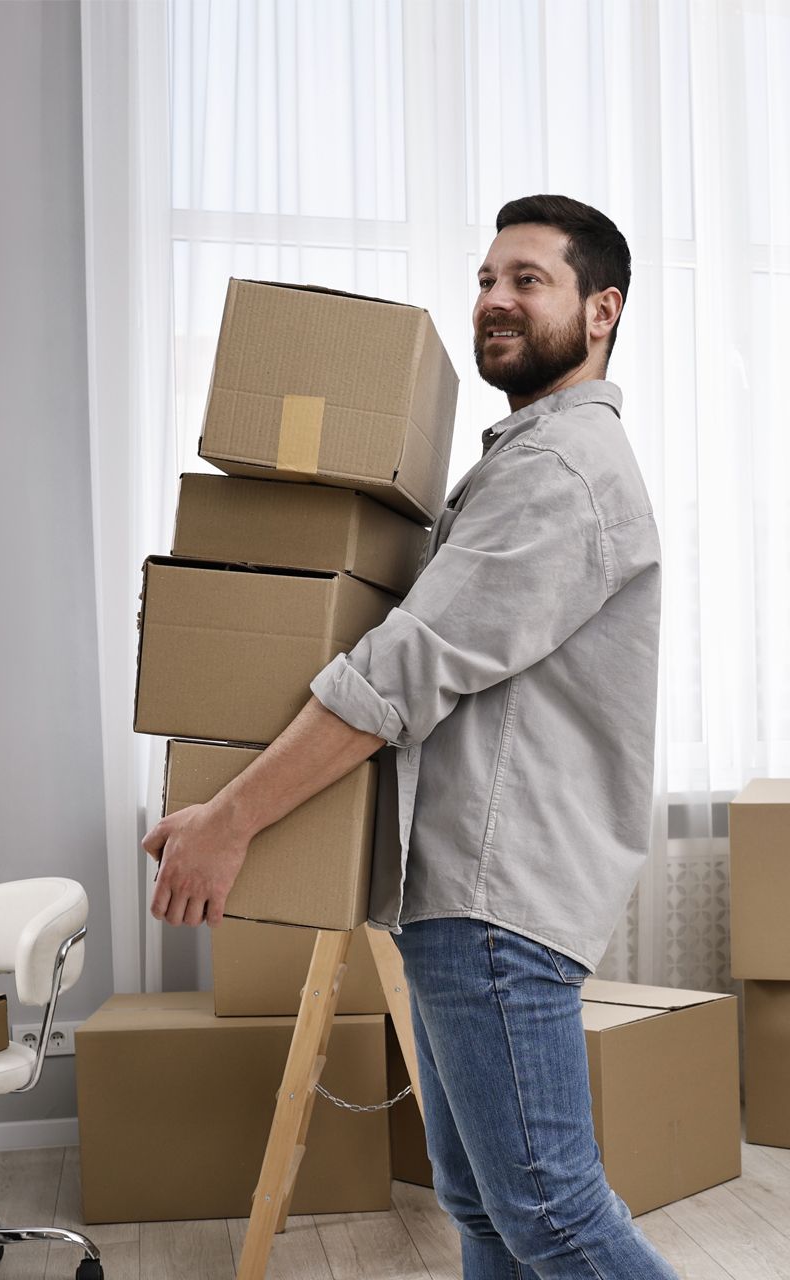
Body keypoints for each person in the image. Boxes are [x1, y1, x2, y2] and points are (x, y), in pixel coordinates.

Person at [143, 193, 674, 1280]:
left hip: (495, 899)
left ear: (602, 310)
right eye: (486, 278)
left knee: (553, 1213)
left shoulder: (561, 473)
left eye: (528, 279)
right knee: (483, 1205)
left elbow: (403, 673)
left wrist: (233, 817)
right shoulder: (518, 462)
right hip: (457, 897)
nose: (494, 300)